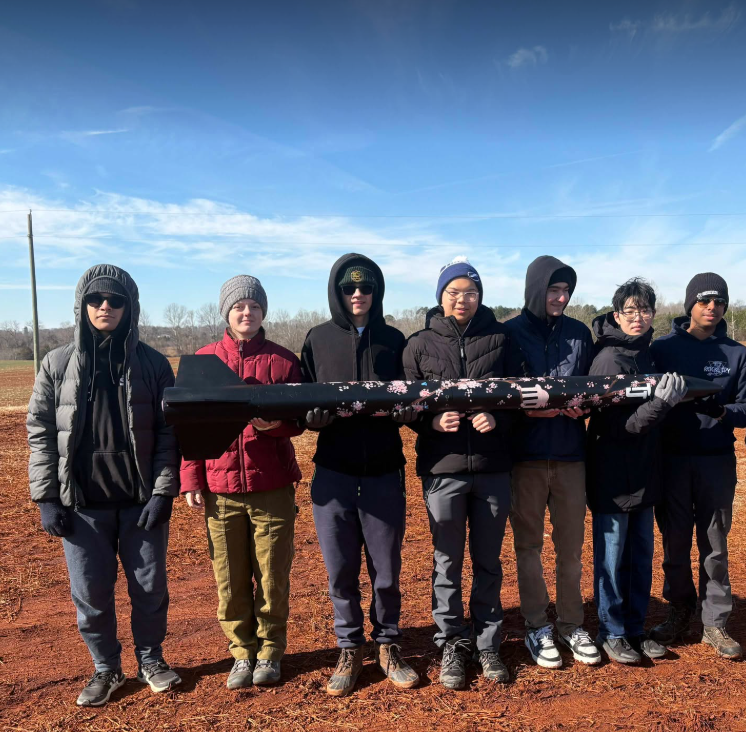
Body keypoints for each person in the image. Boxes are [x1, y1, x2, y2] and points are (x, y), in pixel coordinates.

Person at [26, 264, 181, 707]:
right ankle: (106, 668)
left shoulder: (152, 364)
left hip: (139, 503)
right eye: (96, 300)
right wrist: (47, 497)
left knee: (149, 589)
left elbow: (171, 433)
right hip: (82, 507)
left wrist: (162, 490)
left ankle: (151, 660)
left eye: (115, 300)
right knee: (91, 594)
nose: (105, 307)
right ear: (83, 306)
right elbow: (39, 431)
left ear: (129, 307)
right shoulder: (57, 364)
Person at [402, 257, 528, 689]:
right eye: (453, 292)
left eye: (470, 292)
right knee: (447, 561)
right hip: (443, 470)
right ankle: (452, 642)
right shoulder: (418, 344)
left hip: (493, 468)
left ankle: (488, 641)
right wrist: (431, 423)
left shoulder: (503, 338)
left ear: (480, 296)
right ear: (440, 296)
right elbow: (406, 405)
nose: (462, 299)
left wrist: (499, 419)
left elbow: (521, 397)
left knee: (489, 561)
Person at [300, 253, 419, 696]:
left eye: (365, 288)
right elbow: (302, 400)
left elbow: (411, 396)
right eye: (348, 288)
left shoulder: (394, 339)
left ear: (376, 291)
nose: (357, 295)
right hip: (333, 472)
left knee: (385, 570)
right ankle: (349, 648)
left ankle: (388, 644)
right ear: (336, 292)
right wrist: (312, 418)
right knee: (341, 570)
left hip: (384, 470)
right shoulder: (317, 338)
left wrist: (408, 411)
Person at [180, 275, 303, 689]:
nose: (245, 313)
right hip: (220, 489)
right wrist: (192, 477)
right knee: (229, 578)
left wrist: (275, 425)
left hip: (272, 486)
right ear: (226, 313)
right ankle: (242, 653)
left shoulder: (284, 361)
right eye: (238, 307)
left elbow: (301, 420)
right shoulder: (204, 360)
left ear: (263, 311)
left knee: (272, 575)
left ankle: (270, 651)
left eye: (253, 306)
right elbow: (189, 426)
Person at [648, 273, 746, 660]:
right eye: (704, 301)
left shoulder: (736, 354)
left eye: (719, 302)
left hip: (715, 461)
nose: (712, 308)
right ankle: (679, 610)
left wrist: (722, 411)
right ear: (689, 305)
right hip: (671, 460)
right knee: (675, 540)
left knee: (714, 544)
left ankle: (714, 621)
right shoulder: (661, 349)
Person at [504, 255, 599, 669]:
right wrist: (521, 411)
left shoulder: (579, 334)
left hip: (570, 455)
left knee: (571, 549)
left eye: (566, 292)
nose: (560, 298)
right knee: (528, 546)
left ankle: (571, 624)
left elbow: (594, 388)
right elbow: (498, 391)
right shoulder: (508, 333)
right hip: (523, 457)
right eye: (553, 291)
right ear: (535, 290)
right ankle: (536, 625)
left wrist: (587, 407)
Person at [586, 278, 687, 665]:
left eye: (644, 310)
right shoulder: (609, 360)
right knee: (612, 559)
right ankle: (611, 631)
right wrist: (662, 404)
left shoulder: (647, 355)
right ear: (616, 315)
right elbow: (619, 427)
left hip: (644, 475)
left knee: (640, 557)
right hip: (613, 476)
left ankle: (634, 628)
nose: (638, 317)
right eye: (630, 310)